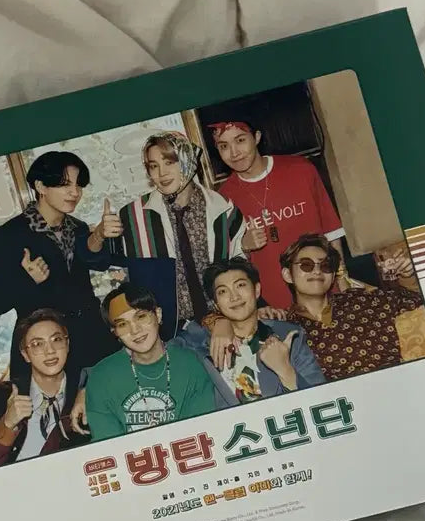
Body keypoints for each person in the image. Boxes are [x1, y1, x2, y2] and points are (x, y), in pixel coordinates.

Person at [0, 151, 122, 382]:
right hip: (46, 350)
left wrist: (100, 235)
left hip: (92, 340)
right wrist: (27, 280)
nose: (75, 192)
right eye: (65, 184)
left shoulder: (78, 228)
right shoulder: (6, 237)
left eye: (78, 185)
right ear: (41, 186)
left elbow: (101, 263)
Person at [210, 120, 346, 309]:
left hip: (323, 294)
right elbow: (228, 266)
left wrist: (342, 279)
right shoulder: (223, 199)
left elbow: (332, 231)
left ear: (256, 137)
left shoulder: (301, 170)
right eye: (224, 146)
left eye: (240, 140)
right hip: (274, 309)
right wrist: (243, 245)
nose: (234, 153)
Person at [117, 131, 247, 324]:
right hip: (168, 329)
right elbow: (107, 265)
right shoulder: (132, 216)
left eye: (170, 162)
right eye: (154, 166)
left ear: (188, 160)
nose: (162, 173)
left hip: (224, 320)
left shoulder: (224, 210)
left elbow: (240, 267)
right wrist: (99, 236)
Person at [175, 257, 325, 408]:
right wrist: (217, 321)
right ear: (216, 304)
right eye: (223, 291)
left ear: (257, 290)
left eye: (240, 285)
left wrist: (285, 371)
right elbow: (167, 349)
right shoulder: (200, 342)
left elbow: (323, 399)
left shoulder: (288, 335)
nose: (234, 297)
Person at [280, 233, 425, 381]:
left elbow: (416, 300)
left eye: (325, 266)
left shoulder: (361, 300)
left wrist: (407, 276)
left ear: (333, 275)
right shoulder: (283, 328)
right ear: (288, 275)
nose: (317, 271)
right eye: (306, 265)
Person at [84, 283, 216, 440]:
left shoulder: (190, 364)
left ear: (158, 315)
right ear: (115, 332)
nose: (135, 330)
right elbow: (107, 444)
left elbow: (202, 431)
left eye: (141, 316)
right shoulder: (101, 377)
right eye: (122, 324)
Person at [0, 309, 86, 469]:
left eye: (57, 340)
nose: (50, 351)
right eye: (37, 344)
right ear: (25, 354)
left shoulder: (85, 392)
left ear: (67, 344)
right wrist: (7, 424)